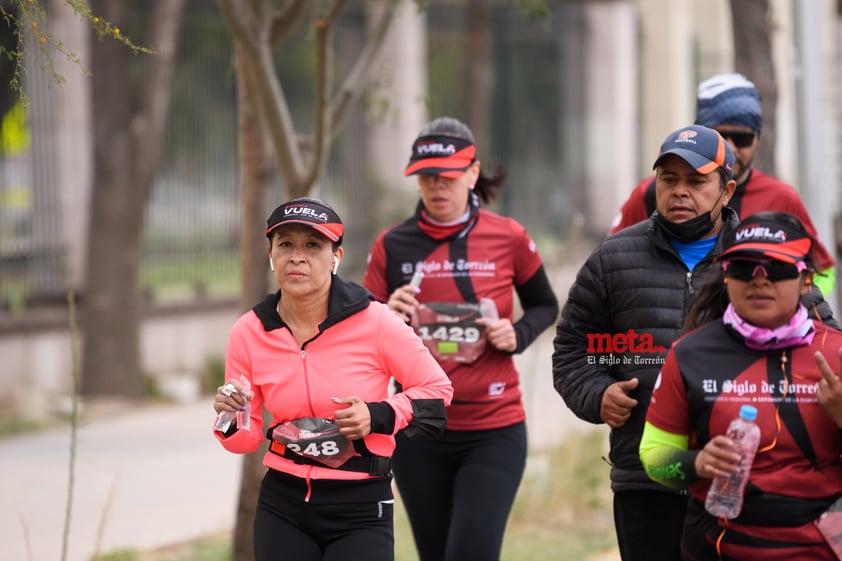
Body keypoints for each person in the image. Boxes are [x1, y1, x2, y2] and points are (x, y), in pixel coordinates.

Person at [552, 124, 837, 561]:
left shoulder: (758, 263)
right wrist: (597, 392)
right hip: (645, 480)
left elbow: (821, 347)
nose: (679, 192)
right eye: (669, 180)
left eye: (696, 181)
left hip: (743, 485)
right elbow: (576, 349)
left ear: (727, 191)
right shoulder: (613, 259)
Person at [212, 197, 454, 561]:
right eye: (286, 244)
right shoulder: (249, 331)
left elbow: (437, 389)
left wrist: (378, 415)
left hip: (360, 506)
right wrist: (229, 417)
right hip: (283, 505)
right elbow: (244, 440)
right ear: (271, 254)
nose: (297, 256)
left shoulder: (375, 321)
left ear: (335, 257)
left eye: (312, 245)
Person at [362, 116, 559, 561]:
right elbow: (358, 337)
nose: (437, 186)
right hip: (418, 432)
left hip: (493, 429)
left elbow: (546, 305)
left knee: (470, 553)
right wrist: (385, 316)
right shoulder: (391, 245)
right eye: (427, 177)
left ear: (472, 174)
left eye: (447, 175)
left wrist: (517, 334)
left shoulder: (508, 236)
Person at [640, 211, 842, 561]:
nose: (759, 280)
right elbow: (654, 455)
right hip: (721, 545)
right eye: (744, 267)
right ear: (726, 276)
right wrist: (696, 462)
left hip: (820, 548)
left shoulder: (836, 352)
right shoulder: (688, 353)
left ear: (806, 279)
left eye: (776, 269)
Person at [608, 72, 836, 297]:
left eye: (743, 138)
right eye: (719, 135)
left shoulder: (781, 197)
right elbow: (610, 265)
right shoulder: (652, 194)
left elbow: (822, 270)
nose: (731, 148)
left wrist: (786, 313)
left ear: (758, 138)